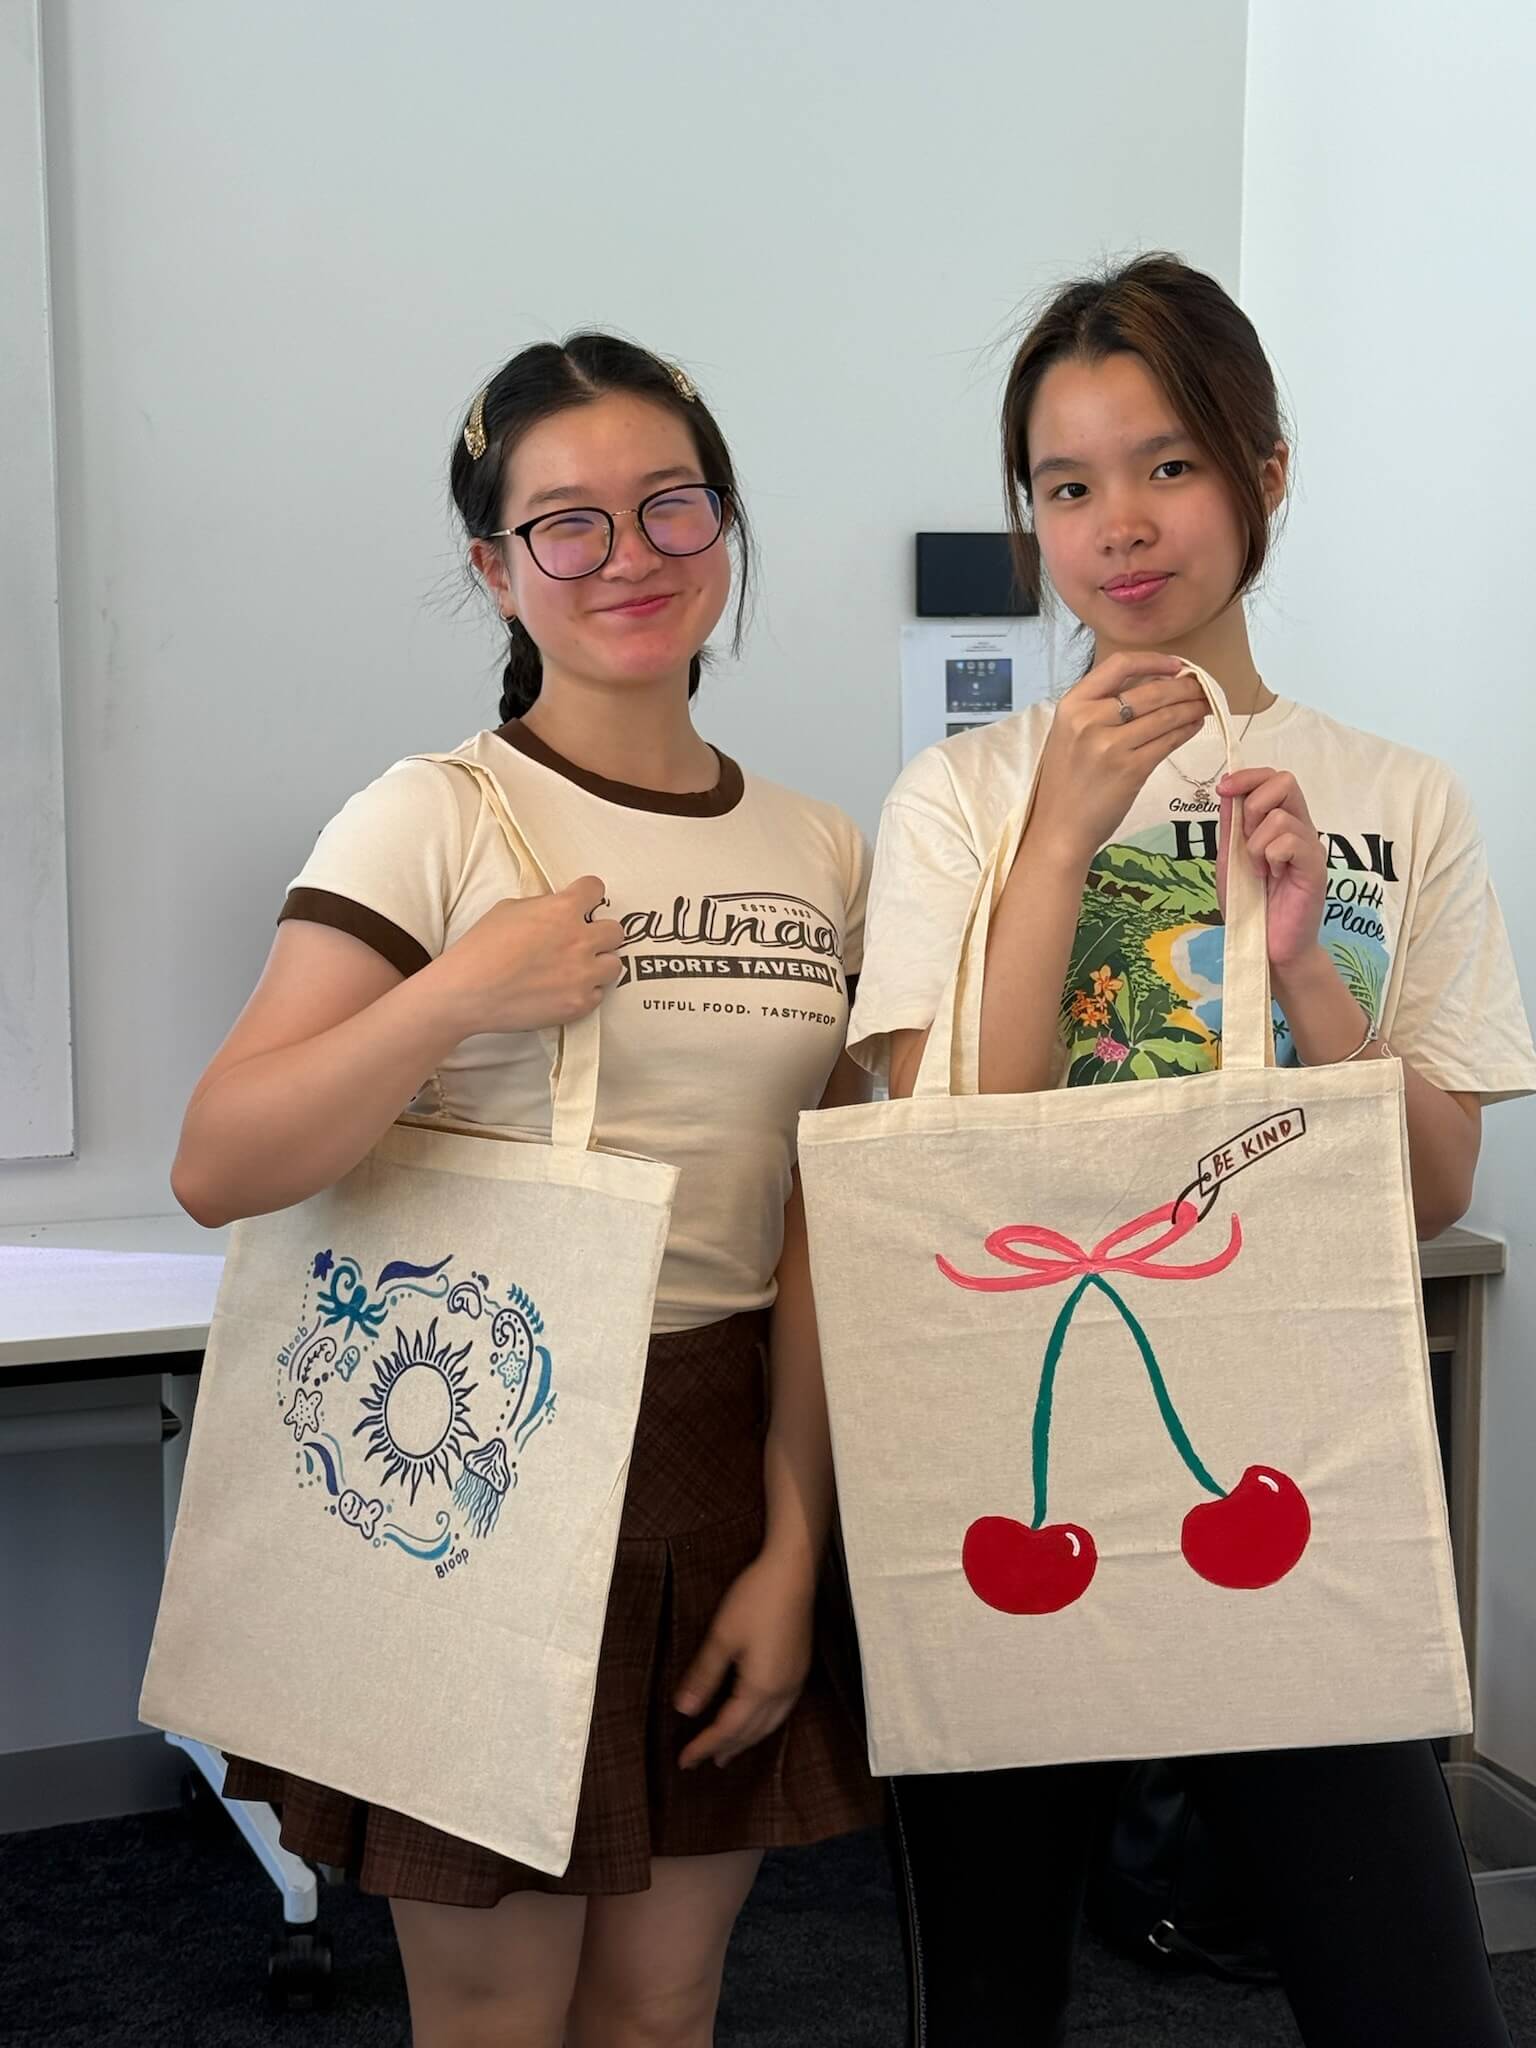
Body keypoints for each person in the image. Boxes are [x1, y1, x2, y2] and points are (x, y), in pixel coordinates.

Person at [846, 254, 1536, 2046]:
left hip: (1296, 1443)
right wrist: (1060, 843)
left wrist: (1306, 964)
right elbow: (947, 1160)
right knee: (989, 1999)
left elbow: (1433, 1189)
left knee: (1411, 1998)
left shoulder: (1398, 797)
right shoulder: (959, 798)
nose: (1121, 526)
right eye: (1068, 485)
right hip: (1013, 1448)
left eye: (1168, 465)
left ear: (1264, 470)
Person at [171, 333, 879, 2048]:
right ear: (497, 569)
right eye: (567, 522)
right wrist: (454, 997)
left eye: (670, 504)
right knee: (496, 2017)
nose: (629, 554)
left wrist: (796, 1545)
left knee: (664, 2006)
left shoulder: (819, 847)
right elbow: (223, 1158)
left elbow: (816, 1222)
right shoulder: (433, 817)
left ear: (725, 527)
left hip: (721, 1448)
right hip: (475, 1449)